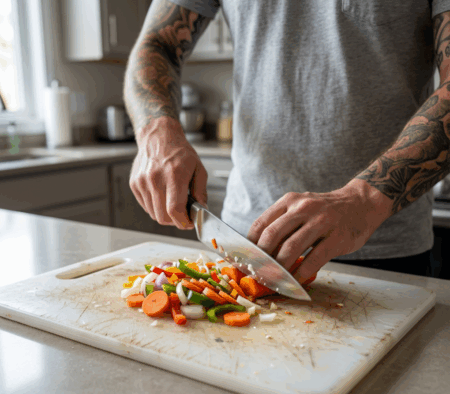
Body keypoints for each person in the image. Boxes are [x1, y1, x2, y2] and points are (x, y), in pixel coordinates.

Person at [124, 0, 450, 282]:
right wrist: (156, 131)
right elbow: (157, 45)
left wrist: (364, 199)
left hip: (387, 246)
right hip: (248, 244)